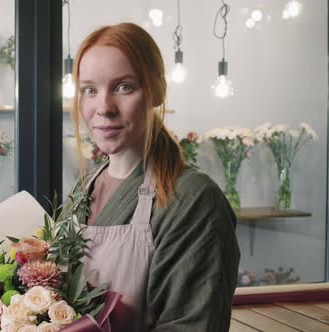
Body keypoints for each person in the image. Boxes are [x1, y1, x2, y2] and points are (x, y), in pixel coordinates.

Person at [70, 23, 241, 331]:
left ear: (157, 91)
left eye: (124, 87)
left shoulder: (192, 200)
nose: (104, 107)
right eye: (90, 90)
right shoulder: (84, 191)